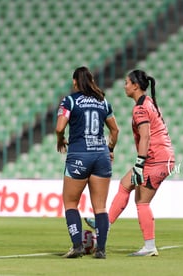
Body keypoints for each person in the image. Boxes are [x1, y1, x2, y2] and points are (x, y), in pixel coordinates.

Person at [85, 69, 175, 256]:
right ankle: (105, 224)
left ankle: (149, 247)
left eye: (127, 82)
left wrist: (140, 164)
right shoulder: (147, 102)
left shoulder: (140, 108)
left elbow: (145, 136)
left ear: (135, 86)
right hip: (158, 158)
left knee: (142, 202)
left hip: (156, 160)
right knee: (125, 185)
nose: (124, 86)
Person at [56, 66, 119, 259]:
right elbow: (115, 131)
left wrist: (60, 139)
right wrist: (109, 150)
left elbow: (60, 127)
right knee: (100, 207)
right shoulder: (103, 102)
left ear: (75, 81)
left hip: (79, 156)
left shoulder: (70, 101)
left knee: (70, 203)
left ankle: (77, 246)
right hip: (101, 156)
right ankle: (100, 249)